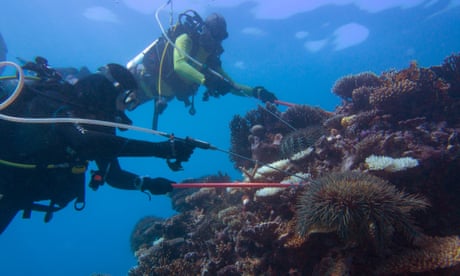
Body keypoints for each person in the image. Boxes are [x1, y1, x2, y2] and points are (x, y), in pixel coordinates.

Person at [0, 58, 196, 234]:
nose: (123, 110)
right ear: (111, 91)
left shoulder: (96, 123)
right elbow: (85, 141)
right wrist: (159, 150)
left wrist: (148, 184)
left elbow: (113, 175)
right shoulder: (60, 103)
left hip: (13, 191)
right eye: (125, 101)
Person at [126, 11, 278, 129]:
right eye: (215, 35)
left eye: (220, 37)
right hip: (139, 81)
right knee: (113, 103)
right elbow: (179, 65)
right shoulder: (186, 39)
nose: (216, 41)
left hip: (156, 94)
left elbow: (231, 86)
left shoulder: (210, 59)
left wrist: (257, 92)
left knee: (121, 110)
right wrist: (207, 80)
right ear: (205, 29)